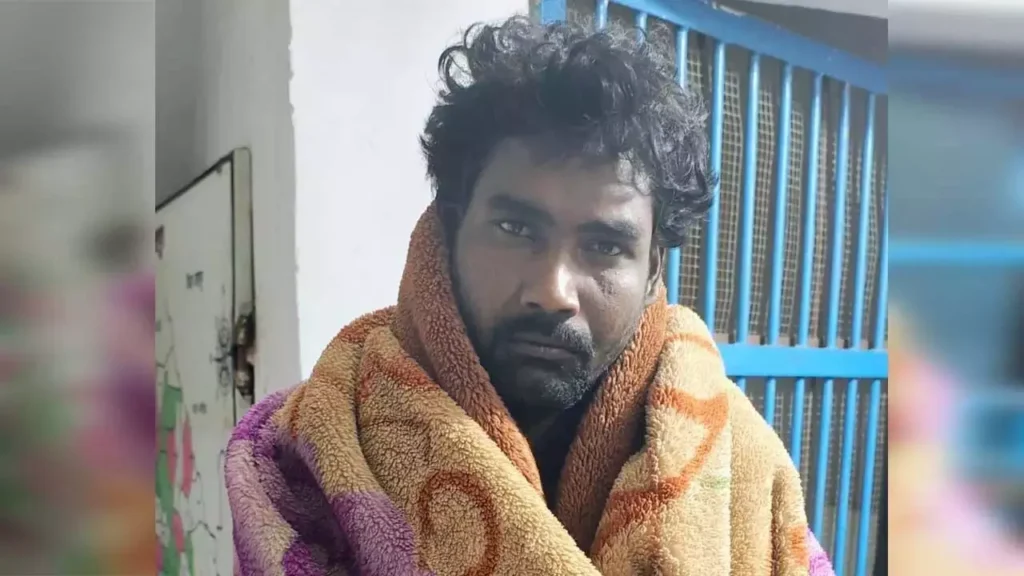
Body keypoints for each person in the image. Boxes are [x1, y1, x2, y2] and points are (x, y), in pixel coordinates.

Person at [226, 16, 834, 575]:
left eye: (604, 245)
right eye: (516, 229)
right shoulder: (300, 453)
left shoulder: (746, 467)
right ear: (451, 230)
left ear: (652, 270)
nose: (553, 291)